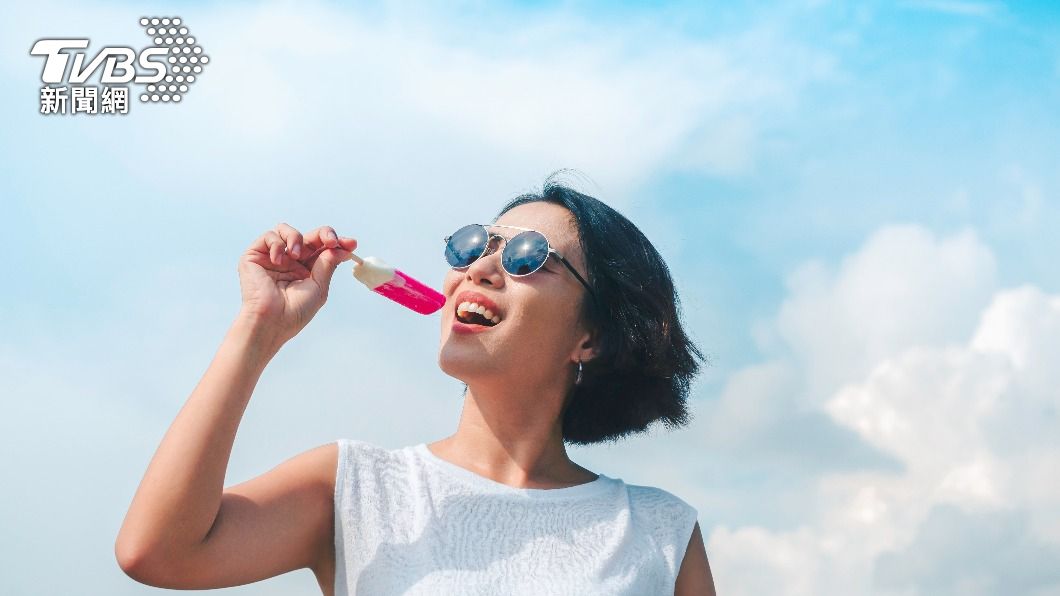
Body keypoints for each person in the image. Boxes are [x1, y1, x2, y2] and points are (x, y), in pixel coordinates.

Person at [115, 173, 716, 595]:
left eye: (530, 256)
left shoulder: (659, 532)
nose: (479, 268)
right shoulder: (356, 488)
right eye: (475, 245)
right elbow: (157, 552)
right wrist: (258, 329)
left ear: (592, 338)